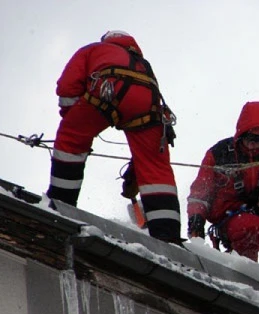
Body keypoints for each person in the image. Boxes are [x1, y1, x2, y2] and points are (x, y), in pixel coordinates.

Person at [46, 30, 181, 243]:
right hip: (149, 107)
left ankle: (60, 202)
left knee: (71, 139)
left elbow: (67, 87)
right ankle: (167, 233)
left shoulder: (93, 50)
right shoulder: (142, 64)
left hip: (108, 91)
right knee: (156, 168)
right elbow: (140, 101)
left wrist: (75, 118)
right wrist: (139, 165)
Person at [187, 101, 259, 278]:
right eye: (251, 138)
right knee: (250, 225)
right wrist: (196, 222)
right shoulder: (220, 154)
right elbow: (200, 191)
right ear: (242, 135)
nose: (254, 144)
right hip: (230, 220)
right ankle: (246, 273)